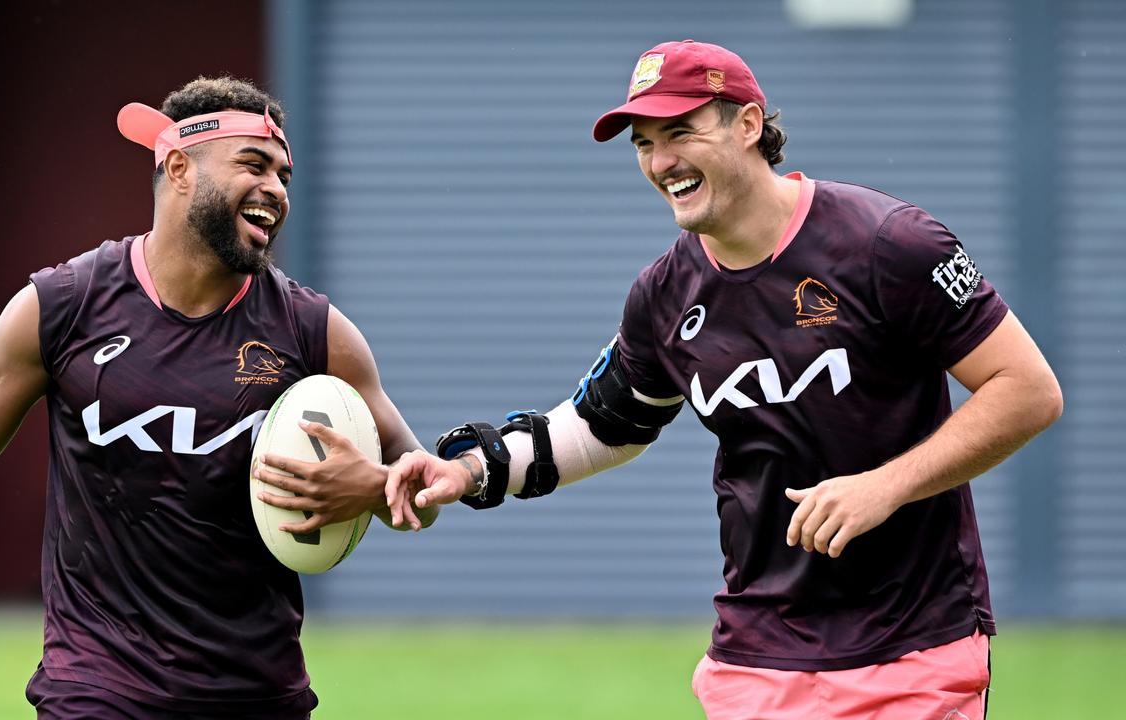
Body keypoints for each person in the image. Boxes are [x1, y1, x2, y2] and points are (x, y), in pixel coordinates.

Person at [385, 40, 1062, 719]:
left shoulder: (890, 244)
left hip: (912, 648)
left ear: (748, 125)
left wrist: (886, 486)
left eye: (680, 131)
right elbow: (604, 426)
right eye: (644, 144)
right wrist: (469, 472)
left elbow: (1027, 389)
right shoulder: (663, 295)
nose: (661, 162)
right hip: (755, 659)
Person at [0, 76, 433, 720]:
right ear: (178, 167)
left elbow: (421, 484)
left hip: (258, 693)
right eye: (253, 165)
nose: (277, 191)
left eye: (284, 175)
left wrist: (373, 486)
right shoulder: (64, 307)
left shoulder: (313, 332)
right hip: (94, 686)